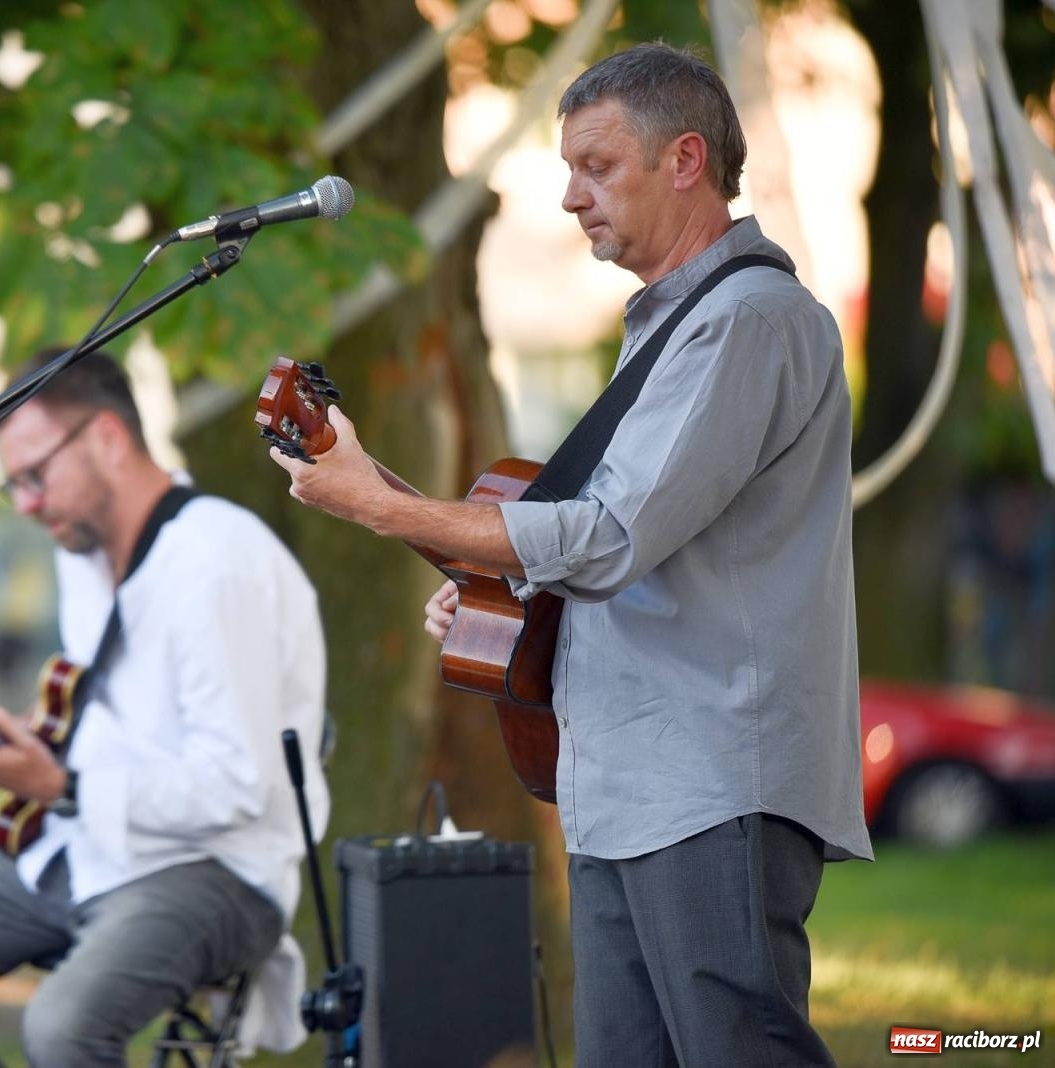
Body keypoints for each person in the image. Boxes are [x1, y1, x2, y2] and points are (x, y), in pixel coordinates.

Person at [270, 43, 871, 1068]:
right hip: (626, 780)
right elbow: (612, 552)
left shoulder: (747, 321)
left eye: (595, 165)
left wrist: (383, 510)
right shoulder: (672, 328)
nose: (566, 196)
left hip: (708, 778)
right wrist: (486, 588)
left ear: (685, 160)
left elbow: (607, 539)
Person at [0, 348, 330, 1067]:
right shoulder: (82, 552)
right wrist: (47, 757)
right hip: (87, 849)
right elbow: (123, 720)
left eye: (35, 477)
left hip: (217, 872)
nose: (27, 506)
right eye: (13, 486)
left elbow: (237, 785)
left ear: (107, 438)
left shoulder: (217, 563)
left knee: (61, 1026)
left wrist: (64, 786)